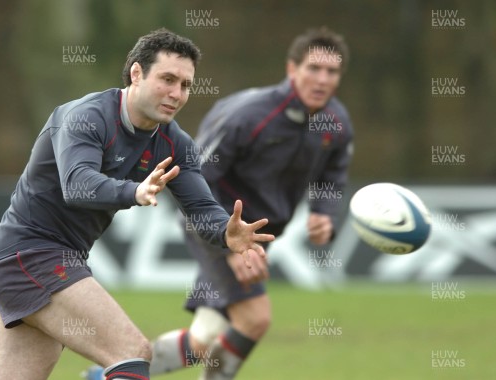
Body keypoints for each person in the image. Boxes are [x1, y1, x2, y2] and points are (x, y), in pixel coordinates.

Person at [0, 28, 275, 380]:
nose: (176, 93)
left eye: (185, 85)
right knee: (132, 353)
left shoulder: (174, 143)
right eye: (167, 79)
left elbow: (201, 207)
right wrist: (133, 191)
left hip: (43, 263)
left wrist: (227, 233)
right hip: (28, 256)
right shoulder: (85, 117)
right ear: (136, 73)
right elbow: (78, 185)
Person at [145, 26, 353, 379]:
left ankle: (109, 373)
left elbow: (332, 176)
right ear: (292, 69)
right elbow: (194, 178)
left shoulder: (336, 123)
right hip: (213, 225)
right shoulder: (247, 115)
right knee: (255, 318)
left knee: (204, 339)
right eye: (313, 69)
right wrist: (229, 245)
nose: (322, 79)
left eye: (331, 72)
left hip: (255, 240)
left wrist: (323, 215)